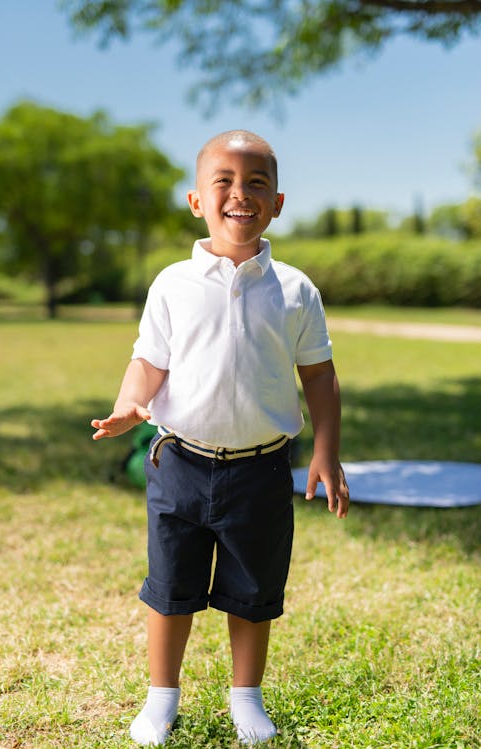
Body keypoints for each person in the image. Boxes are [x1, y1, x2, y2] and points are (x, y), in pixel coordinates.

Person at [91, 130, 349, 746]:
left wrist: (325, 451)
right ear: (196, 200)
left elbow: (319, 375)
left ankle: (246, 698)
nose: (240, 194)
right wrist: (130, 405)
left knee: (252, 590)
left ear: (278, 202)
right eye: (224, 182)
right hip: (178, 461)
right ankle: (161, 699)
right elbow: (148, 363)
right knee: (170, 587)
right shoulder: (172, 285)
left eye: (256, 182)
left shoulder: (294, 289)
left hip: (262, 470)